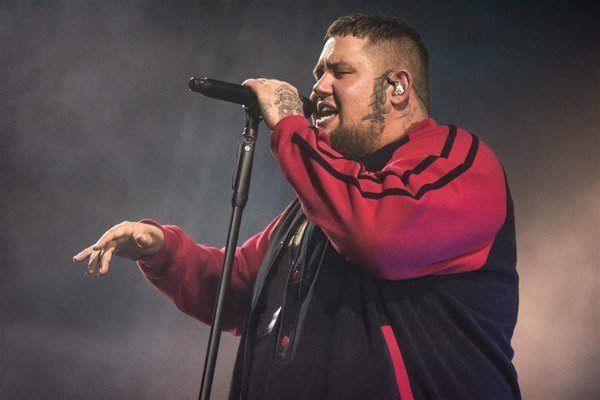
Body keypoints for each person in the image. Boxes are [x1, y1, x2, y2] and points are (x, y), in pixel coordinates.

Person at [74, 14, 520, 400]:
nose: (319, 87)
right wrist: (162, 250)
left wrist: (289, 126)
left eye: (339, 72)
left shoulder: (459, 162)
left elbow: (381, 234)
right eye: (318, 73)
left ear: (397, 87)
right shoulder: (325, 197)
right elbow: (239, 289)